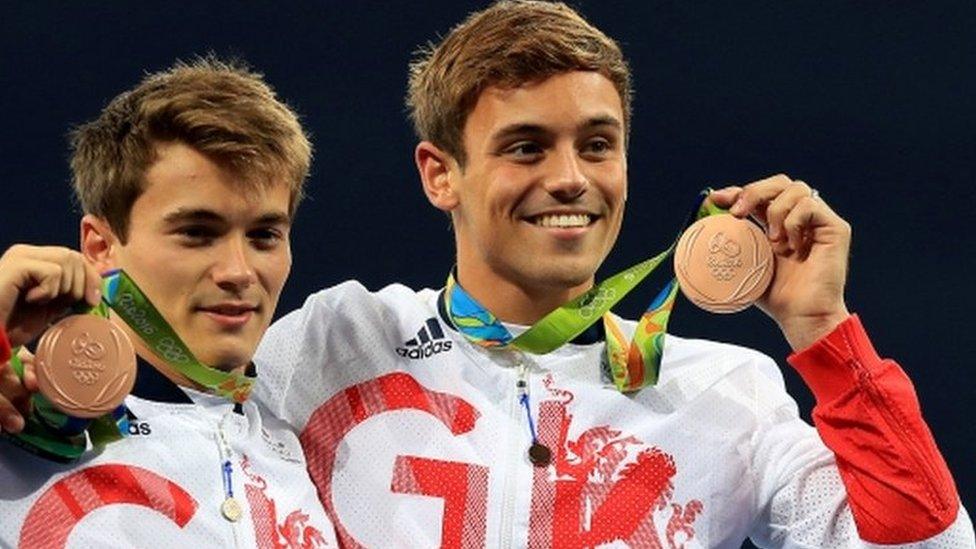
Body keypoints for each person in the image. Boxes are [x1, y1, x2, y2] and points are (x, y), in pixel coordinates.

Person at [253, 2, 973, 548]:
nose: (570, 179)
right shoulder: (331, 344)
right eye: (527, 147)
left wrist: (825, 334)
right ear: (440, 173)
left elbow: (933, 544)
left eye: (597, 144)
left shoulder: (724, 394)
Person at [0, 58, 337, 548]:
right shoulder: (17, 415)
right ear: (101, 247)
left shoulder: (299, 452)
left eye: (264, 235)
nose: (239, 272)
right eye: (197, 234)